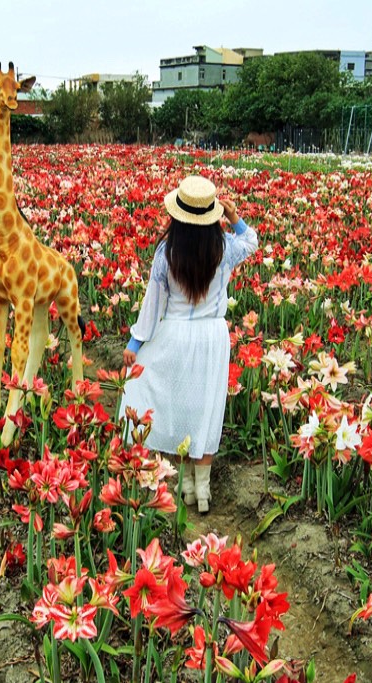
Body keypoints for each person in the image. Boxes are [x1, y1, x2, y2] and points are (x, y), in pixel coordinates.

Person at [119, 175, 258, 513]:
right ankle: (203, 490)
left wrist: (135, 344)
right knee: (206, 410)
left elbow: (152, 307)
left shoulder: (167, 253)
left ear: (177, 216)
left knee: (173, 404)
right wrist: (234, 216)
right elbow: (252, 241)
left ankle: (182, 485)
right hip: (213, 337)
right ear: (212, 215)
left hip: (176, 335)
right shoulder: (225, 248)